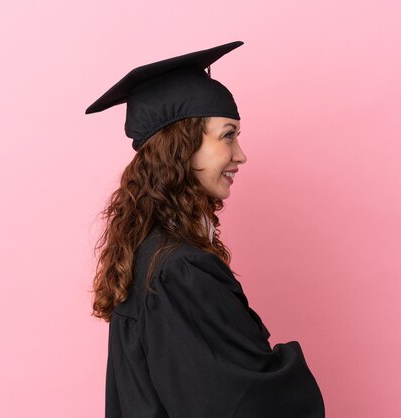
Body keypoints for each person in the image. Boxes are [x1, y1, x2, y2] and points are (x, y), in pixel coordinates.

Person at [86, 41, 325, 418]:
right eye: (228, 135)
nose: (241, 154)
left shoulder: (150, 254)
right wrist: (291, 367)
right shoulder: (179, 271)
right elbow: (237, 404)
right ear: (182, 146)